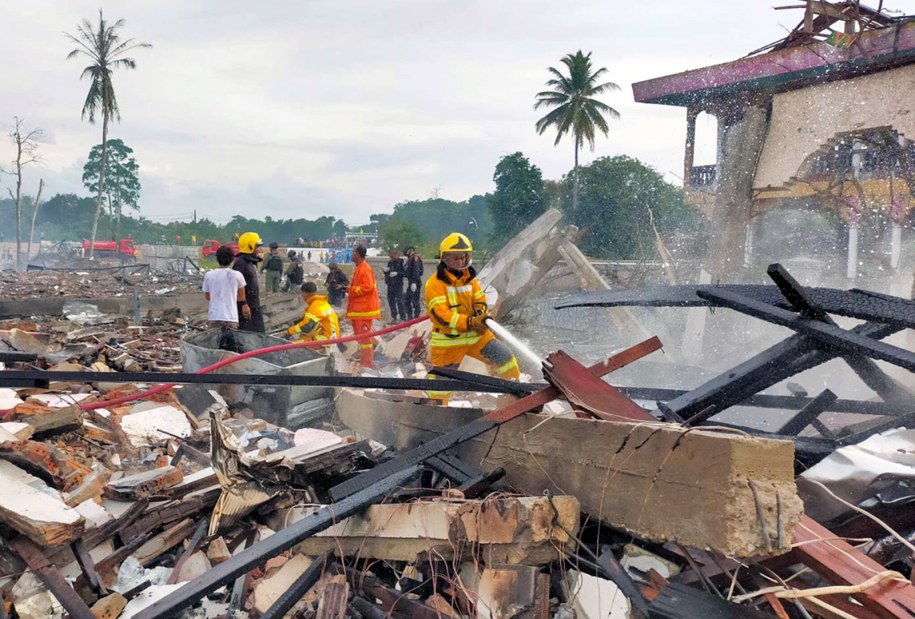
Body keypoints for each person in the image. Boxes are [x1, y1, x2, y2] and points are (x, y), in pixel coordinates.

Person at [425, 232, 519, 403]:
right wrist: (470, 322)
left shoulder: (470, 279)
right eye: (456, 258)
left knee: (506, 360)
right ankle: (435, 414)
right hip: (449, 343)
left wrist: (480, 314)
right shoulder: (434, 284)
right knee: (441, 384)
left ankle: (515, 400)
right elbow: (443, 316)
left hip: (477, 338)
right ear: (444, 258)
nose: (461, 262)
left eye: (464, 257)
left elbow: (479, 299)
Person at [346, 245, 380, 368]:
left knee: (365, 340)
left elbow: (368, 287)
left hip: (363, 311)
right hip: (359, 311)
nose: (351, 254)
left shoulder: (364, 268)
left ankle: (367, 365)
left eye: (353, 252)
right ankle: (364, 362)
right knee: (361, 339)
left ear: (358, 254)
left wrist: (351, 290)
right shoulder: (359, 268)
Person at [286, 281, 340, 351]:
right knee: (304, 338)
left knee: (292, 345)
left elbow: (307, 326)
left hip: (327, 338)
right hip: (332, 335)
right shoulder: (320, 303)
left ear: (304, 293)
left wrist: (289, 331)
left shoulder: (315, 306)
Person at [202, 245, 246, 329]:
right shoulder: (237, 275)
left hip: (214, 316)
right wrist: (230, 296)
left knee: (215, 341)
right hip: (231, 317)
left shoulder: (208, 275)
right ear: (232, 259)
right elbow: (242, 297)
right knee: (231, 341)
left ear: (217, 259)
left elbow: (207, 297)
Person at [233, 231, 266, 333]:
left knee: (258, 332)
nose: (259, 249)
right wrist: (244, 304)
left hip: (253, 305)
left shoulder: (248, 261)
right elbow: (237, 286)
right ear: (250, 246)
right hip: (246, 307)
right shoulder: (241, 263)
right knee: (248, 333)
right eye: (257, 246)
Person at [382, 248, 405, 323]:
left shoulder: (401, 262)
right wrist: (386, 272)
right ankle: (394, 317)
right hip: (390, 284)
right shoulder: (390, 263)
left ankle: (402, 317)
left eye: (392, 255)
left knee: (399, 300)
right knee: (391, 301)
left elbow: (405, 273)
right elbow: (388, 273)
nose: (391, 257)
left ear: (396, 254)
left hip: (398, 284)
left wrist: (397, 273)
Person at [403, 246, 424, 320]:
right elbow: (408, 272)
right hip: (411, 282)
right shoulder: (410, 259)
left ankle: (416, 318)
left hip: (415, 282)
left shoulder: (415, 258)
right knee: (407, 300)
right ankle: (410, 318)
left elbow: (417, 271)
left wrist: (414, 282)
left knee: (415, 301)